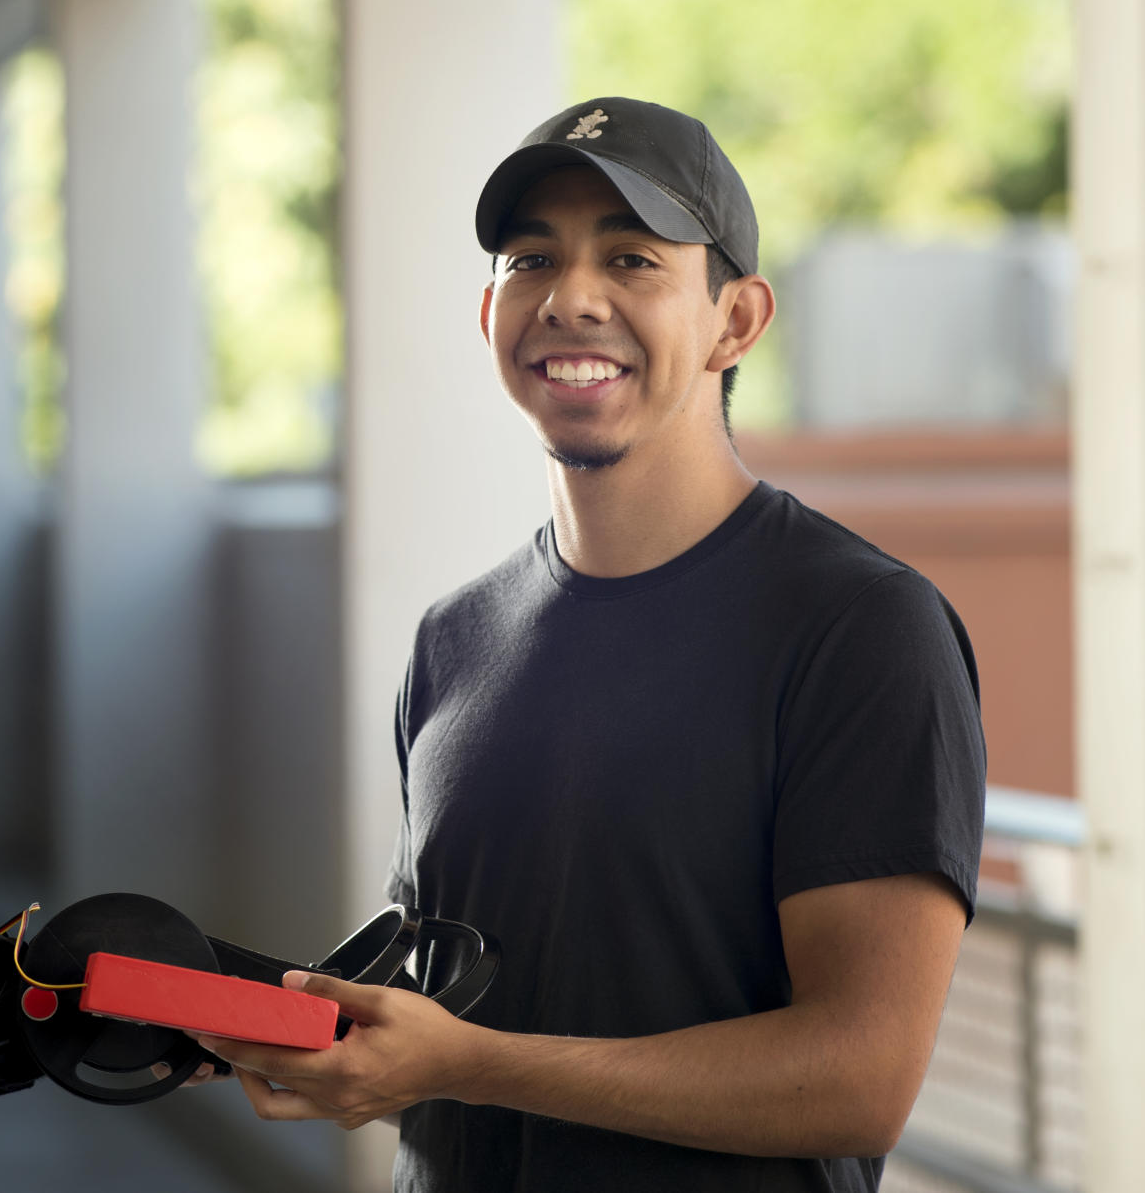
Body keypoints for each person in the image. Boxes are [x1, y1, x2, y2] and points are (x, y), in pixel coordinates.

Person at [196, 97, 985, 1191]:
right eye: (532, 259)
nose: (571, 298)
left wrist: (477, 1067)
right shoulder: (453, 639)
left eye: (632, 259)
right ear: (489, 317)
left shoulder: (858, 629)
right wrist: (251, 1024)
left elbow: (860, 1074)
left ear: (736, 320)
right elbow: (441, 1000)